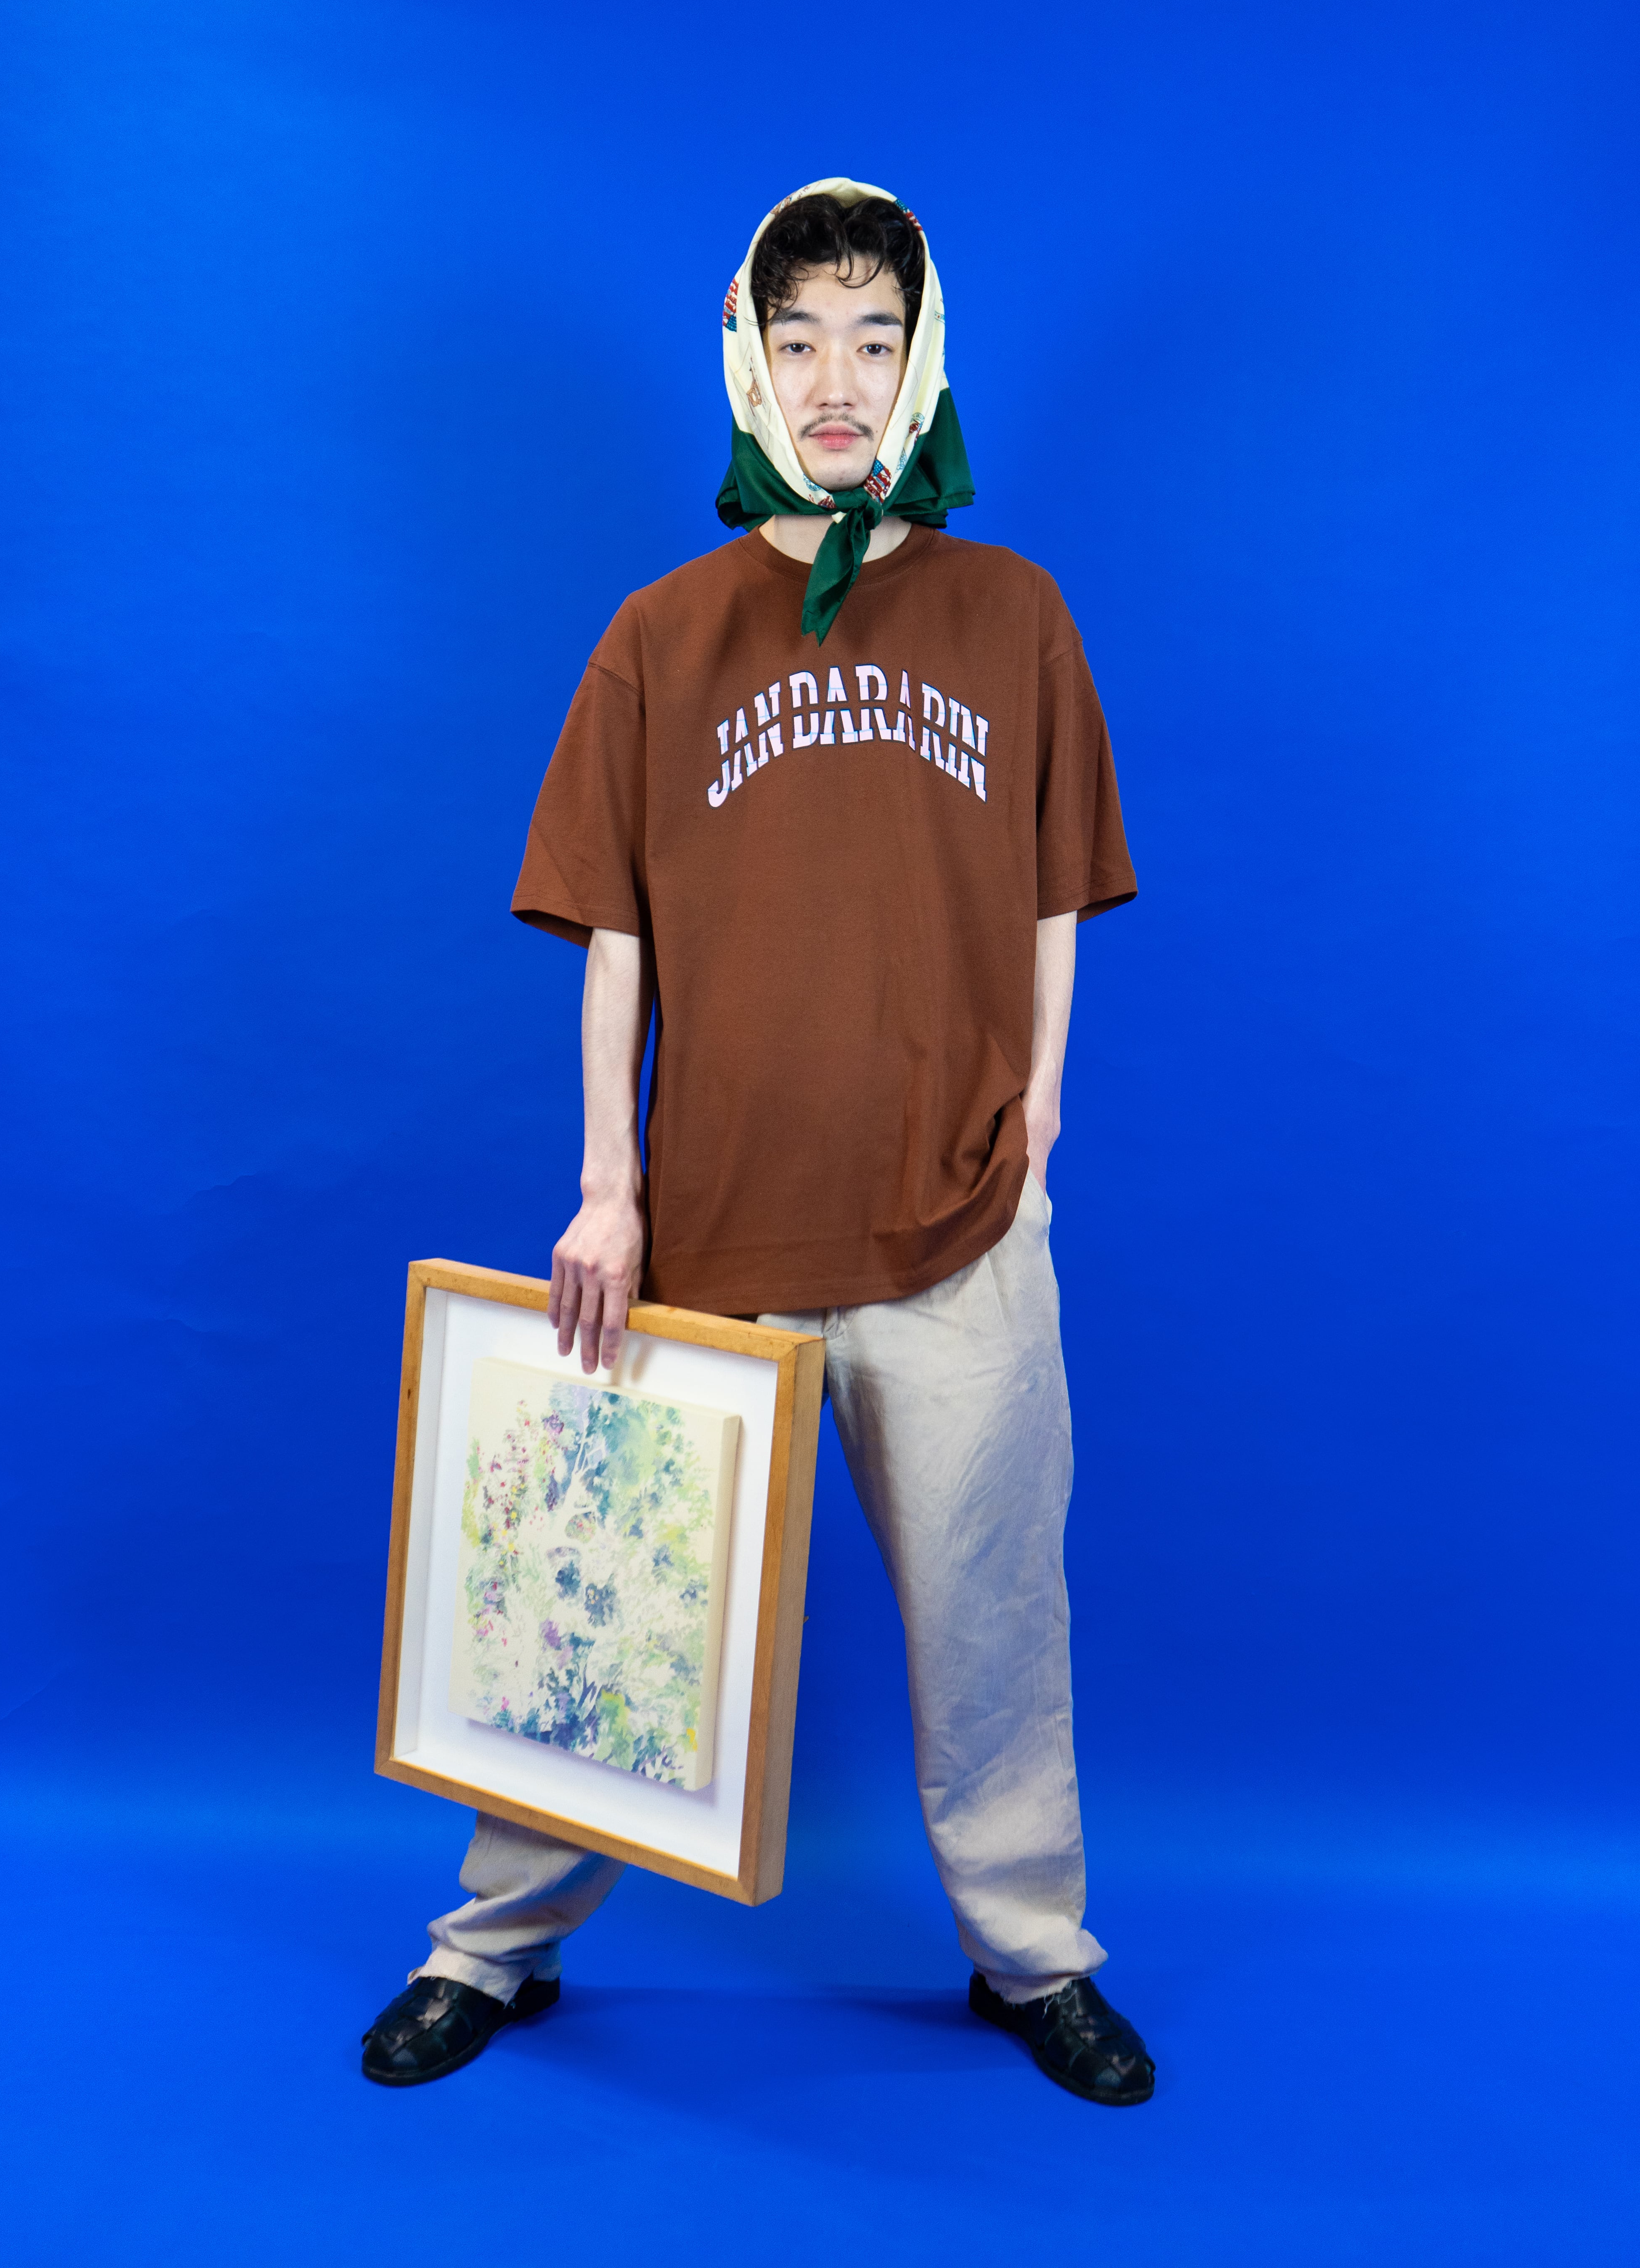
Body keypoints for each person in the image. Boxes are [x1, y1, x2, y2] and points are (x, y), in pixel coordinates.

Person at [362, 179, 1154, 2105]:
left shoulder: (1014, 614)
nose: (834, 379)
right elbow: (615, 938)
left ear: (921, 364)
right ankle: (495, 1943)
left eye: (873, 338)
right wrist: (608, 1189)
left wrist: (1043, 1105)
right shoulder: (662, 635)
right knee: (597, 1618)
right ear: (749, 364)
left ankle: (1030, 1956)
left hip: (958, 1230)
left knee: (993, 1625)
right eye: (799, 340)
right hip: (711, 1237)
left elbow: (1055, 883)